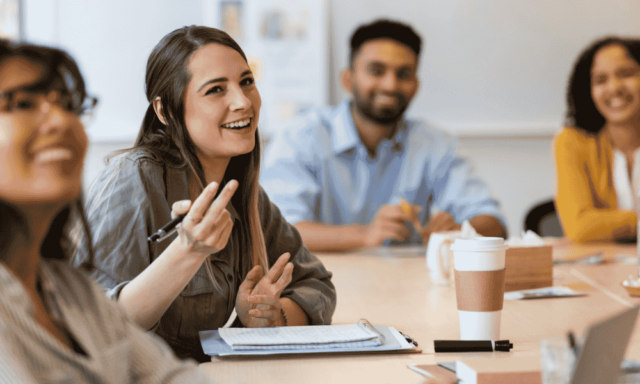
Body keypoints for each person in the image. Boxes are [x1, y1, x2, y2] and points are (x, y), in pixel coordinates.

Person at [73, 26, 336, 362]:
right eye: (215, 90)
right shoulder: (132, 180)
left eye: (246, 81)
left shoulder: (245, 192)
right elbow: (92, 327)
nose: (243, 102)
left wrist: (271, 315)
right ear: (165, 111)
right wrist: (186, 253)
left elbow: (317, 284)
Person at [0, 40, 212, 383]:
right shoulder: (133, 175)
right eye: (22, 103)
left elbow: (169, 376)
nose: (60, 121)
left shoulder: (69, 290)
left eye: (68, 105)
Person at [261, 19, 506, 252]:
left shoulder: (435, 144)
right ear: (348, 79)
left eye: (403, 74)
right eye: (376, 71)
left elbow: (494, 223)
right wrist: (365, 235)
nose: (390, 85)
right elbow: (277, 232)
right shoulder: (299, 138)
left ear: (416, 85)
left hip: (407, 286)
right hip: (321, 286)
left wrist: (461, 231)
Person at [554, 36, 640, 242]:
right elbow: (579, 226)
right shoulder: (571, 141)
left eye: (626, 74)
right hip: (601, 269)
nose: (614, 87)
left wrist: (612, 224)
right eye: (600, 80)